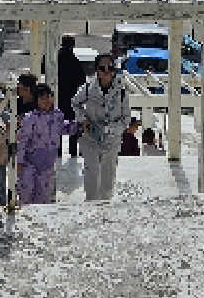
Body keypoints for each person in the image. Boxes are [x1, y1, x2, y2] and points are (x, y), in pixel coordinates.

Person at [73, 51, 131, 202]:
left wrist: (110, 129)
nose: (106, 72)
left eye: (110, 68)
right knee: (91, 172)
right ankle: (91, 203)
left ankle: (106, 205)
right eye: (102, 68)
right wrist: (83, 119)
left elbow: (126, 119)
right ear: (96, 70)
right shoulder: (87, 88)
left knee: (108, 175)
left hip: (112, 140)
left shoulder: (122, 92)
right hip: (90, 139)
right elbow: (75, 103)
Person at [16, 83, 77, 205]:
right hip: (30, 163)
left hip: (47, 165)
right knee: (26, 193)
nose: (47, 101)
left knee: (43, 196)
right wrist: (20, 162)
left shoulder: (57, 115)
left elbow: (63, 128)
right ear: (36, 101)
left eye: (49, 97)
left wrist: (77, 126)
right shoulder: (30, 118)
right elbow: (22, 141)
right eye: (42, 98)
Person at [57, 35, 86, 159]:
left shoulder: (55, 58)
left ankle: (58, 152)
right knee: (73, 126)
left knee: (57, 124)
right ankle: (73, 152)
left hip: (57, 96)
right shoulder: (74, 60)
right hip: (71, 97)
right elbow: (82, 79)